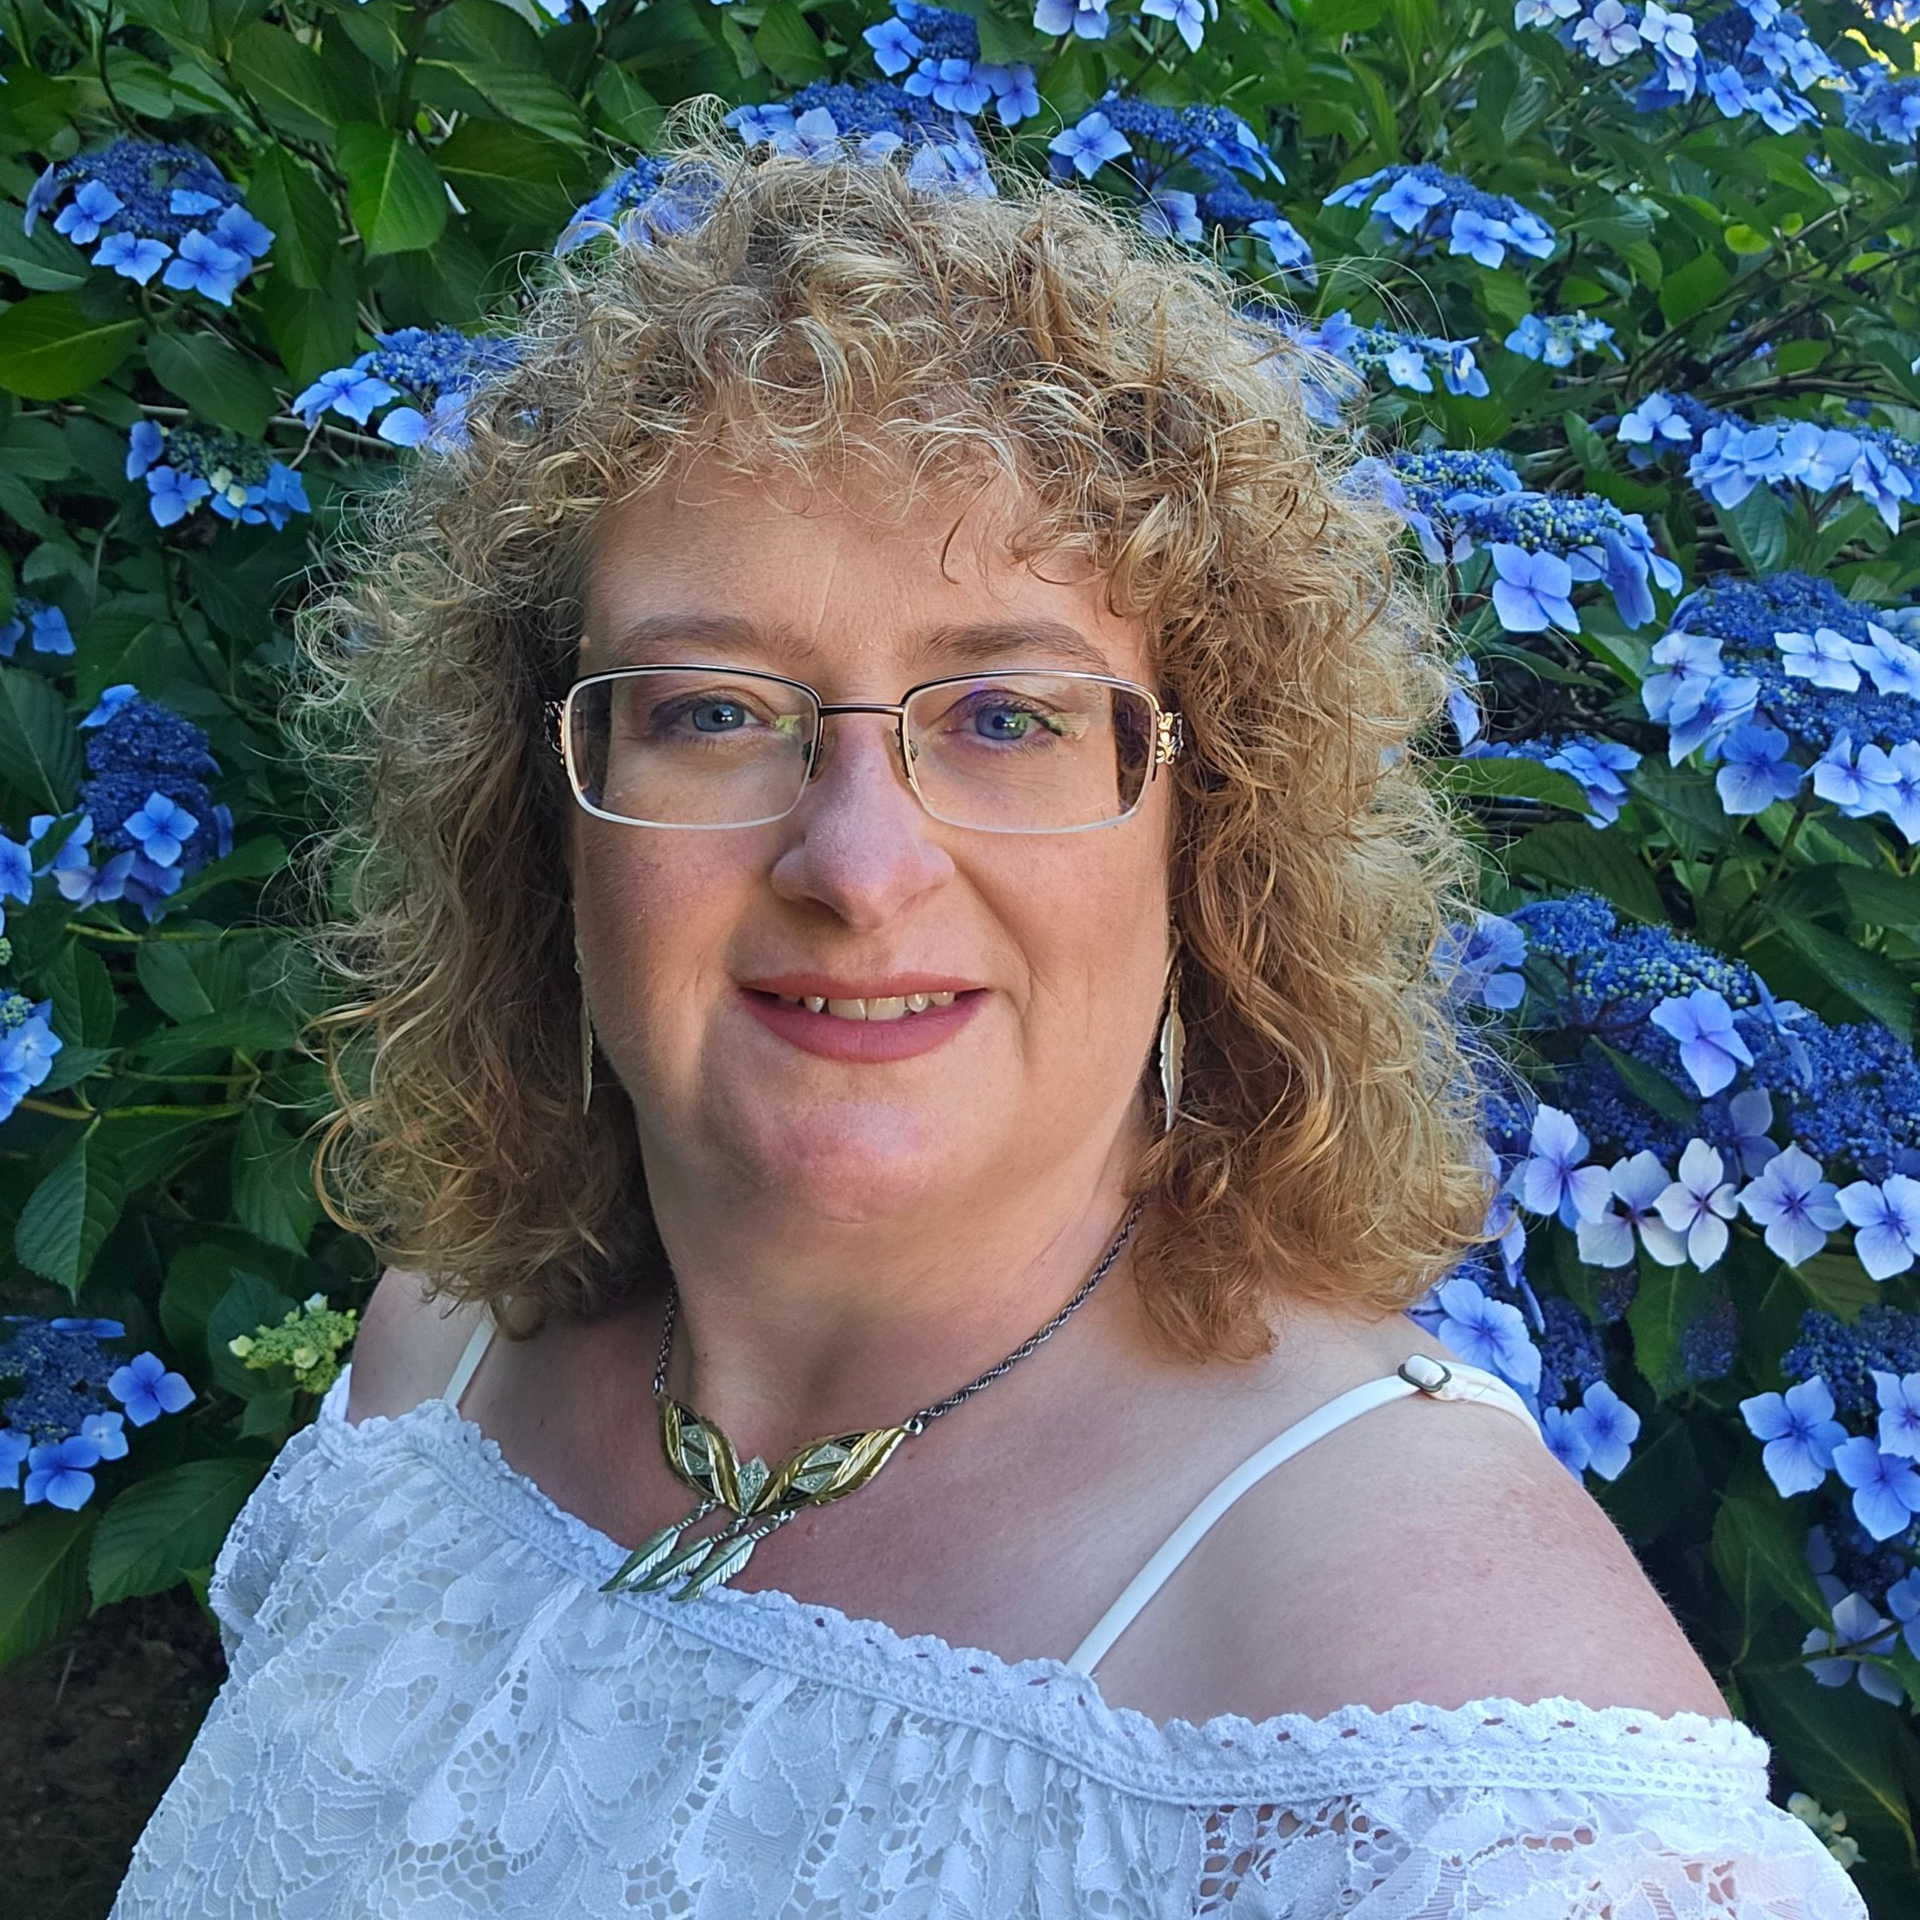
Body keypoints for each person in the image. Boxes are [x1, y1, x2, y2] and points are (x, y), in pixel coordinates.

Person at [111, 116, 1865, 1917]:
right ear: (539, 811)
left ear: (1210, 838)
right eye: (713, 711)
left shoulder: (1435, 1731)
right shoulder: (441, 1362)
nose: (859, 867)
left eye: (1010, 718)